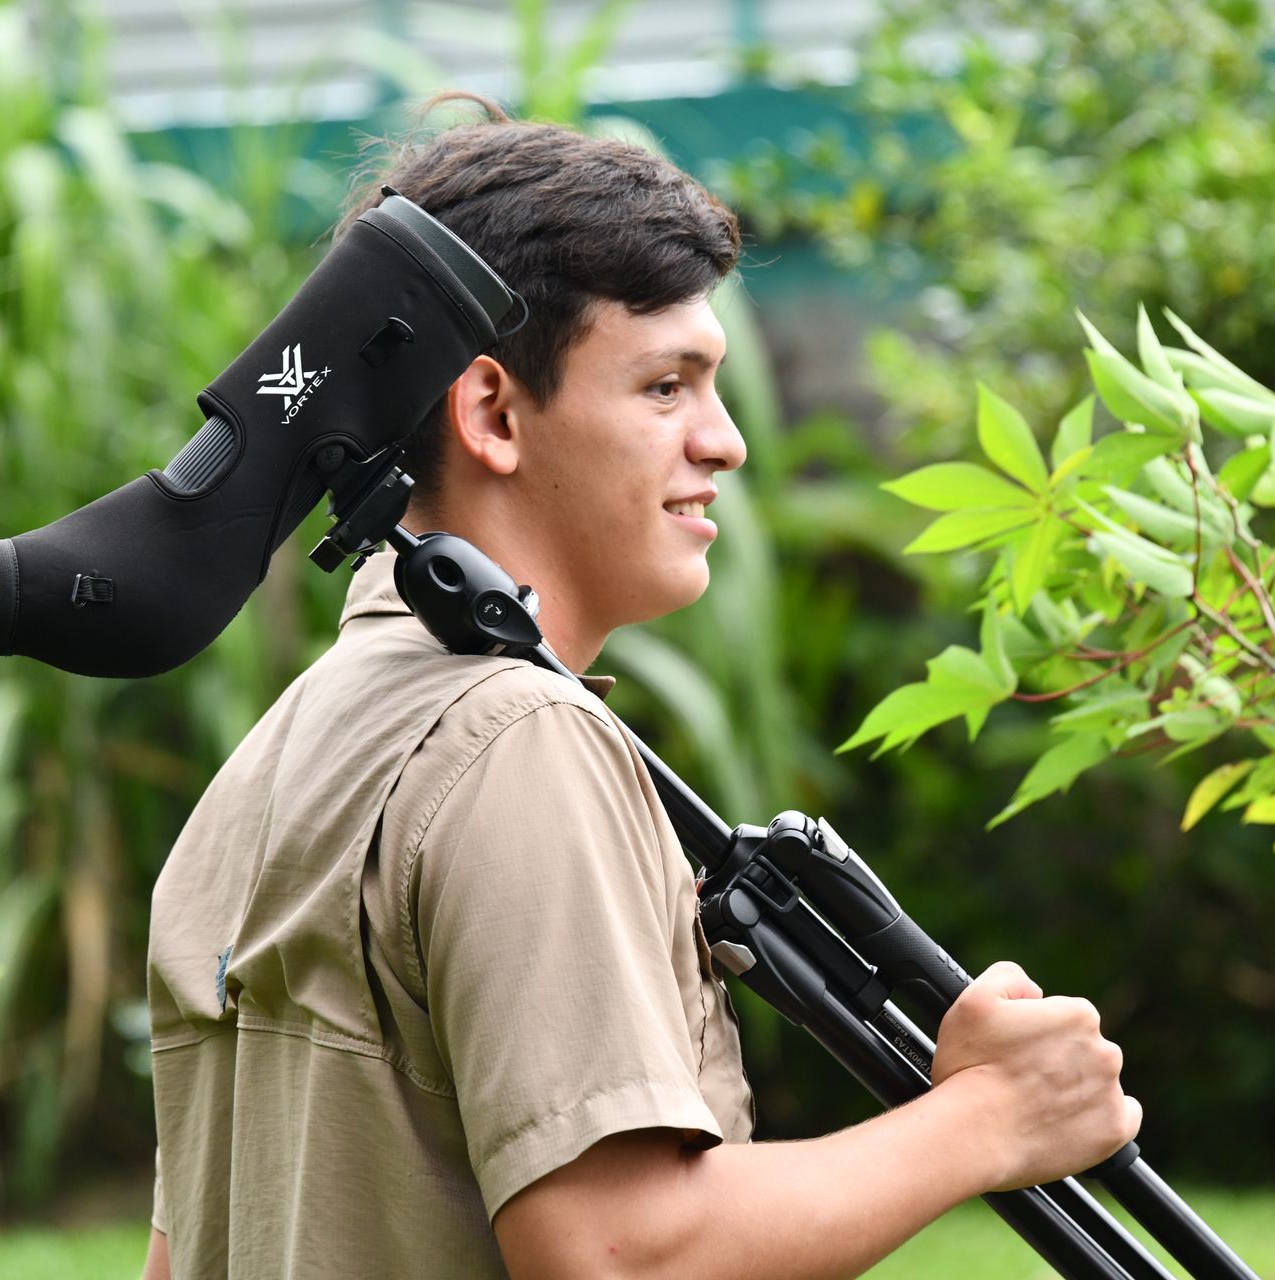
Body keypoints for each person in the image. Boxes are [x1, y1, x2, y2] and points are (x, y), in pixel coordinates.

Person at [141, 95, 1139, 1280]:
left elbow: (181, 1251)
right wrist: (989, 1119)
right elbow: (619, 1251)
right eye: (667, 385)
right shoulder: (518, 741)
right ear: (493, 413)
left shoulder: (276, 754)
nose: (726, 441)